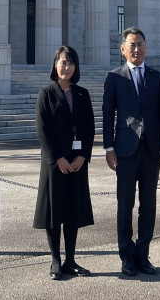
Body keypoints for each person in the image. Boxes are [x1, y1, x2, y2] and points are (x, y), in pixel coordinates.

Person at [102, 27, 160, 276]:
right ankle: (126, 256)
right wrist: (108, 147)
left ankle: (143, 254)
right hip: (125, 149)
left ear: (146, 47)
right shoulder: (115, 77)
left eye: (140, 44)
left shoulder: (156, 77)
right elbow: (108, 113)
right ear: (123, 49)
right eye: (131, 45)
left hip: (152, 149)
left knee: (149, 204)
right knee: (125, 204)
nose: (136, 49)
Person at [33, 46, 95, 280]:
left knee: (72, 209)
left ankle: (71, 259)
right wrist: (57, 157)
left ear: (75, 67)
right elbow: (42, 129)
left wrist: (82, 156)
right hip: (54, 163)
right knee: (54, 211)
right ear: (55, 65)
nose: (66, 67)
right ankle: (56, 260)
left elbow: (89, 128)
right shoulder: (46, 93)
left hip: (77, 162)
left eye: (71, 63)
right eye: (62, 62)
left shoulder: (82, 94)